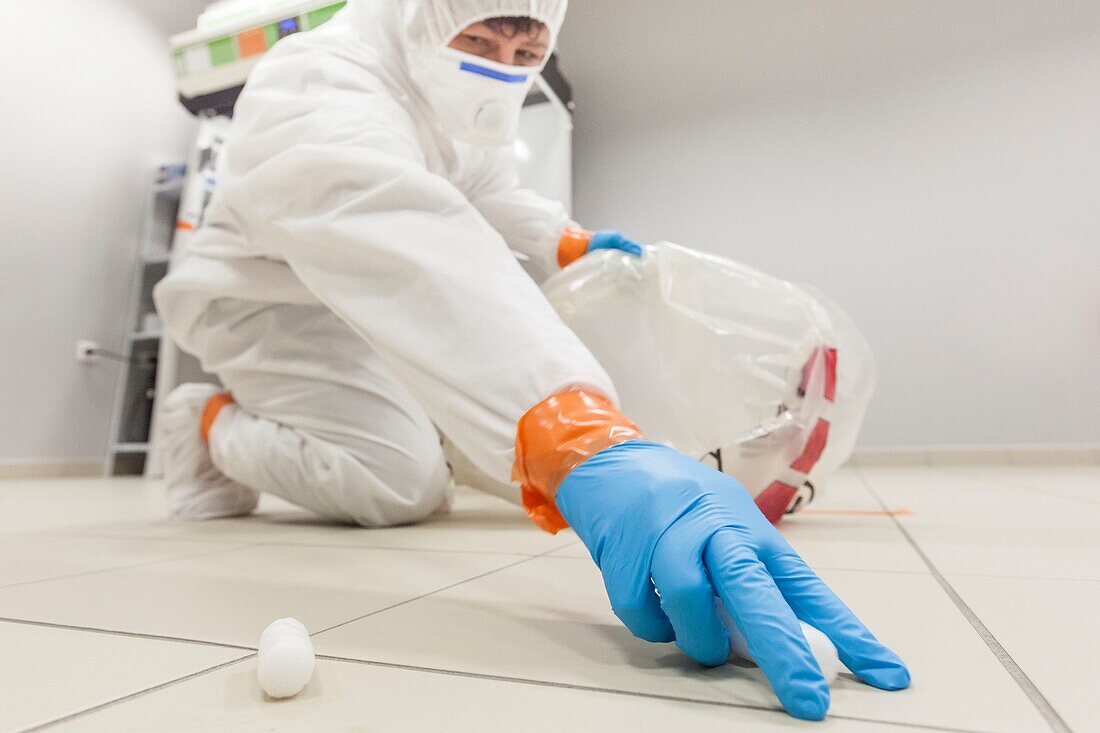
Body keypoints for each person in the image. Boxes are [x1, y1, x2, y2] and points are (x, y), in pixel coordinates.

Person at [154, 0, 909, 719]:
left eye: (526, 53)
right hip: (262, 302)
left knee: (499, 450)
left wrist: (564, 240)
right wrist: (579, 431)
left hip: (353, 299)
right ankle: (206, 424)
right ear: (423, 18)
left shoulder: (439, 96)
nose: (500, 67)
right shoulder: (316, 81)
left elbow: (484, 186)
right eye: (479, 43)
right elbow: (405, 235)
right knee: (400, 482)